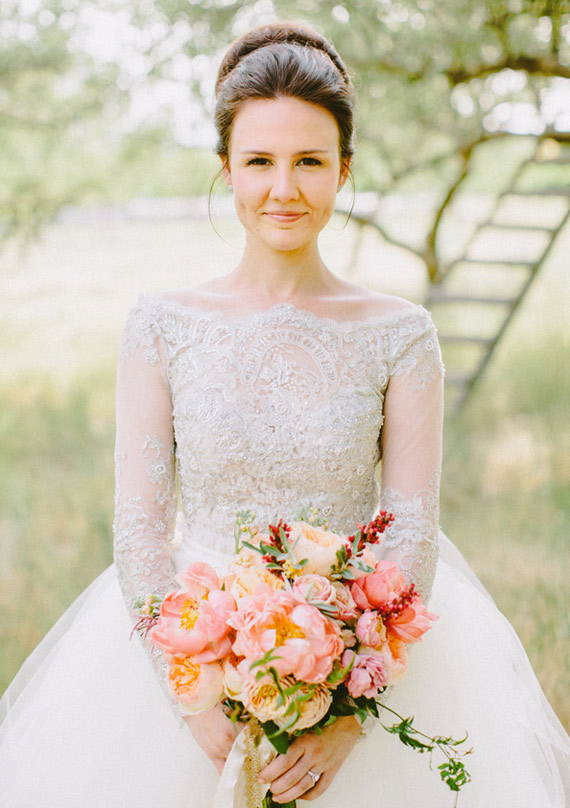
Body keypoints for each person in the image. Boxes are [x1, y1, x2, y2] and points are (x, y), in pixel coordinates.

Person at [0, 21, 569, 808]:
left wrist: (351, 710)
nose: (284, 189)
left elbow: (409, 527)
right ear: (226, 171)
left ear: (344, 169)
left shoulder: (401, 336)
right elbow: (138, 523)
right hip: (189, 662)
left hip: (359, 659)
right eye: (260, 162)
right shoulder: (161, 326)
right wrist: (188, 690)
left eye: (309, 162)